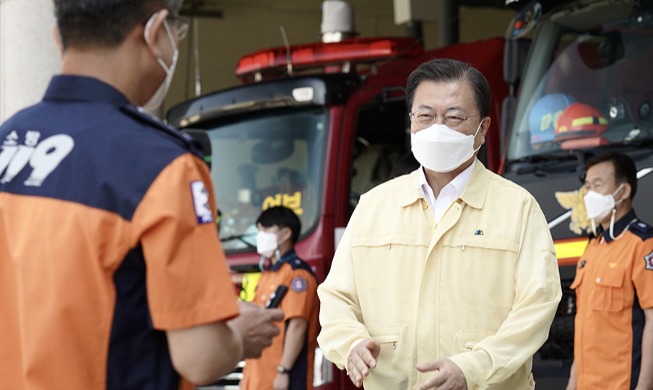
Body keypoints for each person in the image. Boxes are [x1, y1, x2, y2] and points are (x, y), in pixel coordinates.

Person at [0, 1, 283, 389]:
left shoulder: (7, 141)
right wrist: (239, 335)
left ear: (58, 35)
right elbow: (199, 358)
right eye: (176, 34)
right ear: (156, 32)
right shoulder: (163, 166)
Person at [317, 58, 562, 389]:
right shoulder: (374, 206)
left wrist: (475, 367)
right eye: (426, 116)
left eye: (454, 118)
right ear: (411, 122)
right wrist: (350, 343)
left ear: (483, 129)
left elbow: (537, 307)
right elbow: (337, 297)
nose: (437, 128)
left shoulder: (518, 208)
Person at [566, 152, 653, 390]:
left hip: (622, 383)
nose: (589, 194)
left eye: (598, 185)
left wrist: (644, 385)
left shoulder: (643, 244)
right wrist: (573, 382)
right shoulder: (593, 247)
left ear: (623, 192)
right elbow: (585, 325)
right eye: (587, 187)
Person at [240, 206, 319, 390]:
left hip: (282, 378)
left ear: (285, 234)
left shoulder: (297, 275)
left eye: (266, 230)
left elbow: (297, 326)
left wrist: (284, 371)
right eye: (259, 230)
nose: (260, 235)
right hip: (258, 375)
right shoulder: (268, 274)